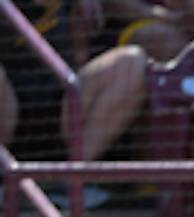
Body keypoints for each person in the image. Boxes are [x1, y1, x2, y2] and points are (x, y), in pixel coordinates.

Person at [0, 0, 147, 164]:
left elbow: (80, 56)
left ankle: (75, 175)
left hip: (66, 102)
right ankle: (4, 174)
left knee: (132, 62)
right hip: (9, 109)